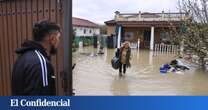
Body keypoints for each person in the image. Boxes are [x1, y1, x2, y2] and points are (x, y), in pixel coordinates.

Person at [12, 20, 61, 95]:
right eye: (58, 37)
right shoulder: (41, 64)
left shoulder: (22, 57)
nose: (59, 41)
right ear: (52, 39)